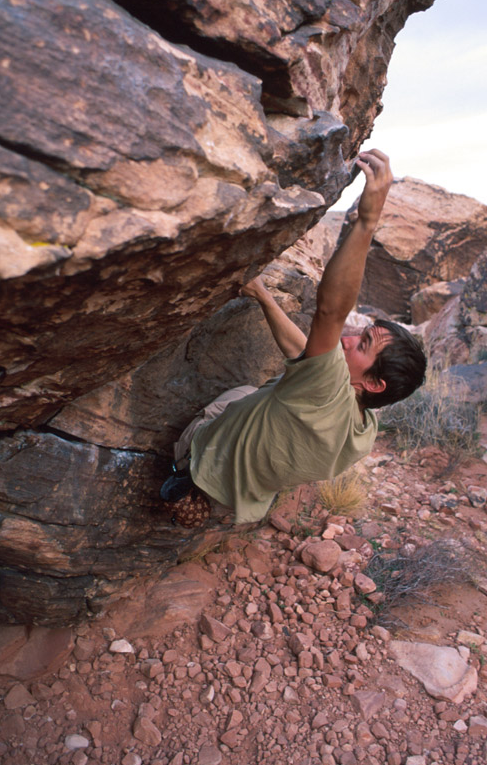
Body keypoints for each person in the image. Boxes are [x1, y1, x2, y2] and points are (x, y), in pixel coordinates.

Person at [161, 148, 426, 526]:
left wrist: (367, 220)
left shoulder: (326, 389)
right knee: (272, 386)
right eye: (360, 333)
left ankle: (185, 472)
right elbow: (310, 358)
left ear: (373, 383)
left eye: (362, 345)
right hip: (243, 499)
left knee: (240, 395)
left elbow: (330, 312)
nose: (347, 338)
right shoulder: (363, 431)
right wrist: (262, 295)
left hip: (206, 461)